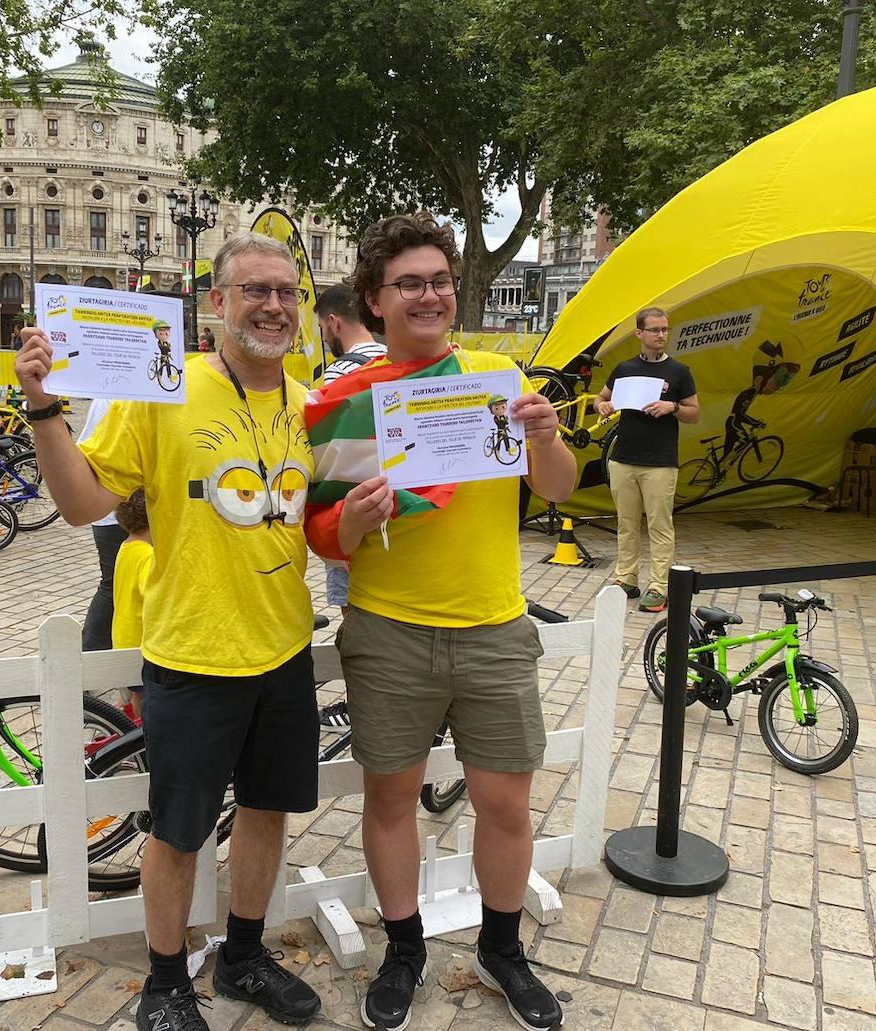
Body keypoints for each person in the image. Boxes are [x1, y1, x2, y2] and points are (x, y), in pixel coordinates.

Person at [15, 231, 322, 1031]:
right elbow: (84, 504)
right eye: (255, 290)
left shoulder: (308, 401)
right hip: (192, 650)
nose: (273, 305)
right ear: (216, 302)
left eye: (286, 292)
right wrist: (44, 406)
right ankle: (164, 981)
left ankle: (244, 957)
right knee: (179, 831)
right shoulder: (161, 388)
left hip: (285, 645)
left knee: (265, 813)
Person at [305, 213, 574, 1031]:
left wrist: (548, 436)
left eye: (439, 280)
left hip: (494, 627)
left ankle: (501, 950)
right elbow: (321, 529)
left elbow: (556, 489)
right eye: (409, 283)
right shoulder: (347, 402)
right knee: (390, 800)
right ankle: (405, 949)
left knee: (504, 803)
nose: (429, 294)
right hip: (387, 631)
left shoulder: (496, 376)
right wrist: (353, 518)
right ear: (376, 301)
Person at [593, 306, 699, 613]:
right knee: (626, 524)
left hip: (660, 462)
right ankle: (626, 578)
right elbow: (602, 398)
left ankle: (659, 586)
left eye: (665, 329)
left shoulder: (679, 372)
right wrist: (603, 406)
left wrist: (672, 408)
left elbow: (694, 412)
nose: (661, 335)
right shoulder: (625, 368)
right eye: (654, 330)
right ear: (639, 333)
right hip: (624, 458)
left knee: (659, 525)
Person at [314, 284, 389, 614]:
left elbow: (329, 456)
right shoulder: (394, 362)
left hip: (352, 514)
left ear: (333, 322)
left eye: (321, 328)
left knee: (354, 613)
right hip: (392, 510)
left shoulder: (339, 375)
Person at [77, 399, 127, 653]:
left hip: (136, 511)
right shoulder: (109, 399)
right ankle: (89, 660)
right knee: (114, 585)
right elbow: (85, 454)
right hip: (116, 514)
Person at [111, 488, 153, 713]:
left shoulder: (126, 548)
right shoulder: (148, 554)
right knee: (142, 699)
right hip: (140, 643)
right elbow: (153, 597)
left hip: (122, 638)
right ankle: (139, 737)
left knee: (133, 694)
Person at [317, 283, 387, 383]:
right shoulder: (394, 359)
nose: (323, 338)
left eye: (321, 327)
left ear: (333, 322)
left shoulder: (338, 372)